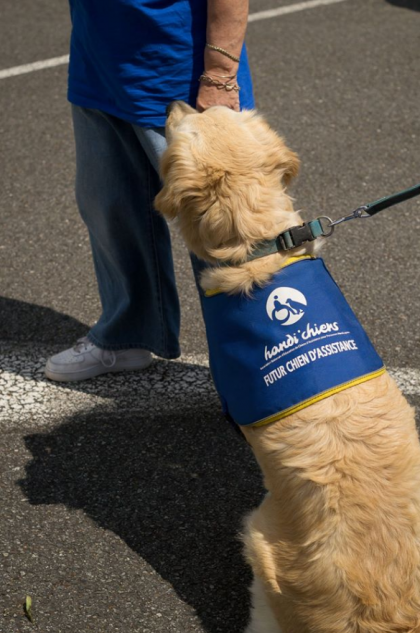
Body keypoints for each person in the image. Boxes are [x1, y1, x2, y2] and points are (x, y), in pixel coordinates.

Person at [45, 0, 254, 382]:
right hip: (99, 63)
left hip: (180, 72)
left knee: (222, 229)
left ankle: (259, 360)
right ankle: (127, 335)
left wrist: (221, 74)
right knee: (111, 211)